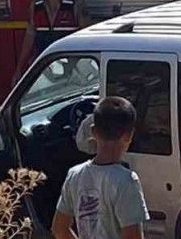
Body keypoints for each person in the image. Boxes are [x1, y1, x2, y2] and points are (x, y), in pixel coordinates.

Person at [52, 96, 150, 239]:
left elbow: (59, 229)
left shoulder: (74, 175)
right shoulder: (127, 181)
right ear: (129, 136)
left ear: (93, 131)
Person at [15, 0, 87, 80]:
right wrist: (19, 68)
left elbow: (86, 35)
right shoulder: (36, 6)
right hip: (44, 66)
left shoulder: (75, 3)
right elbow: (29, 38)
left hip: (71, 66)